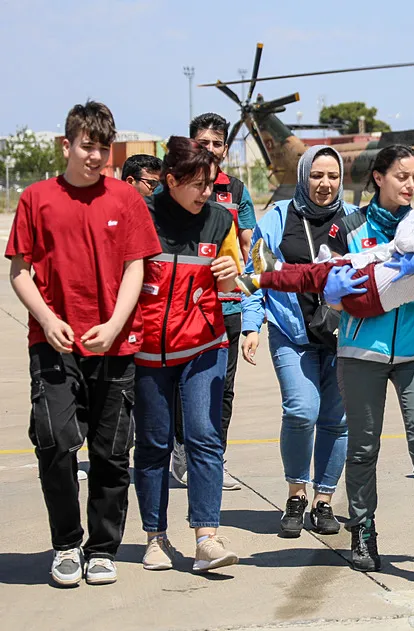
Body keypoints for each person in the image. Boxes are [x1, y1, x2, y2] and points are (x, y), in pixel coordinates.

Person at [5, 101, 162, 586]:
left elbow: (137, 266)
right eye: (87, 145)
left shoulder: (126, 200)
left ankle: (101, 548)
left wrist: (116, 323)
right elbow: (19, 270)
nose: (95, 156)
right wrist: (47, 319)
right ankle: (67, 543)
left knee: (112, 453)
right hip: (54, 343)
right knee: (53, 443)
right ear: (67, 144)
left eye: (103, 147)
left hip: (113, 345)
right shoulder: (36, 198)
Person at [325, 144, 414, 580]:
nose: (409, 185)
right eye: (401, 176)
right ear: (378, 177)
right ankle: (363, 531)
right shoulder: (346, 228)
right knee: (364, 448)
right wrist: (335, 295)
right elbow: (328, 288)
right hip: (360, 353)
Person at [133, 136, 241, 573]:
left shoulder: (220, 221)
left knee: (203, 436)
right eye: (196, 184)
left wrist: (233, 275)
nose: (205, 194)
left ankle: (206, 538)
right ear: (170, 180)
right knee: (154, 443)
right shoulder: (141, 218)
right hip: (147, 353)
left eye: (211, 184)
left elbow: (234, 285)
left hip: (203, 346)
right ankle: (155, 537)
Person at [240, 146, 355, 538]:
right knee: (302, 411)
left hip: (344, 337)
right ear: (303, 175)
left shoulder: (354, 219)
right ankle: (296, 495)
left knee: (337, 421)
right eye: (316, 176)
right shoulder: (276, 218)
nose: (325, 185)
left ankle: (324, 501)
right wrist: (251, 325)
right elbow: (254, 274)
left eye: (333, 177)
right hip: (293, 333)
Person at [169, 113, 257, 491]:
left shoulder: (236, 191)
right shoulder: (172, 188)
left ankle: (213, 458)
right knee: (179, 384)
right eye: (202, 143)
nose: (209, 150)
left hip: (229, 306)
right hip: (183, 308)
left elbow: (247, 247)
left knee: (223, 387)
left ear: (224, 148)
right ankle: (182, 448)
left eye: (216, 144)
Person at [236, 211, 414, 316]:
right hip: (372, 305)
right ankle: (261, 278)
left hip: (365, 283)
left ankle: (267, 275)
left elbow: (405, 236)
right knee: (313, 276)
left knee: (313, 275)